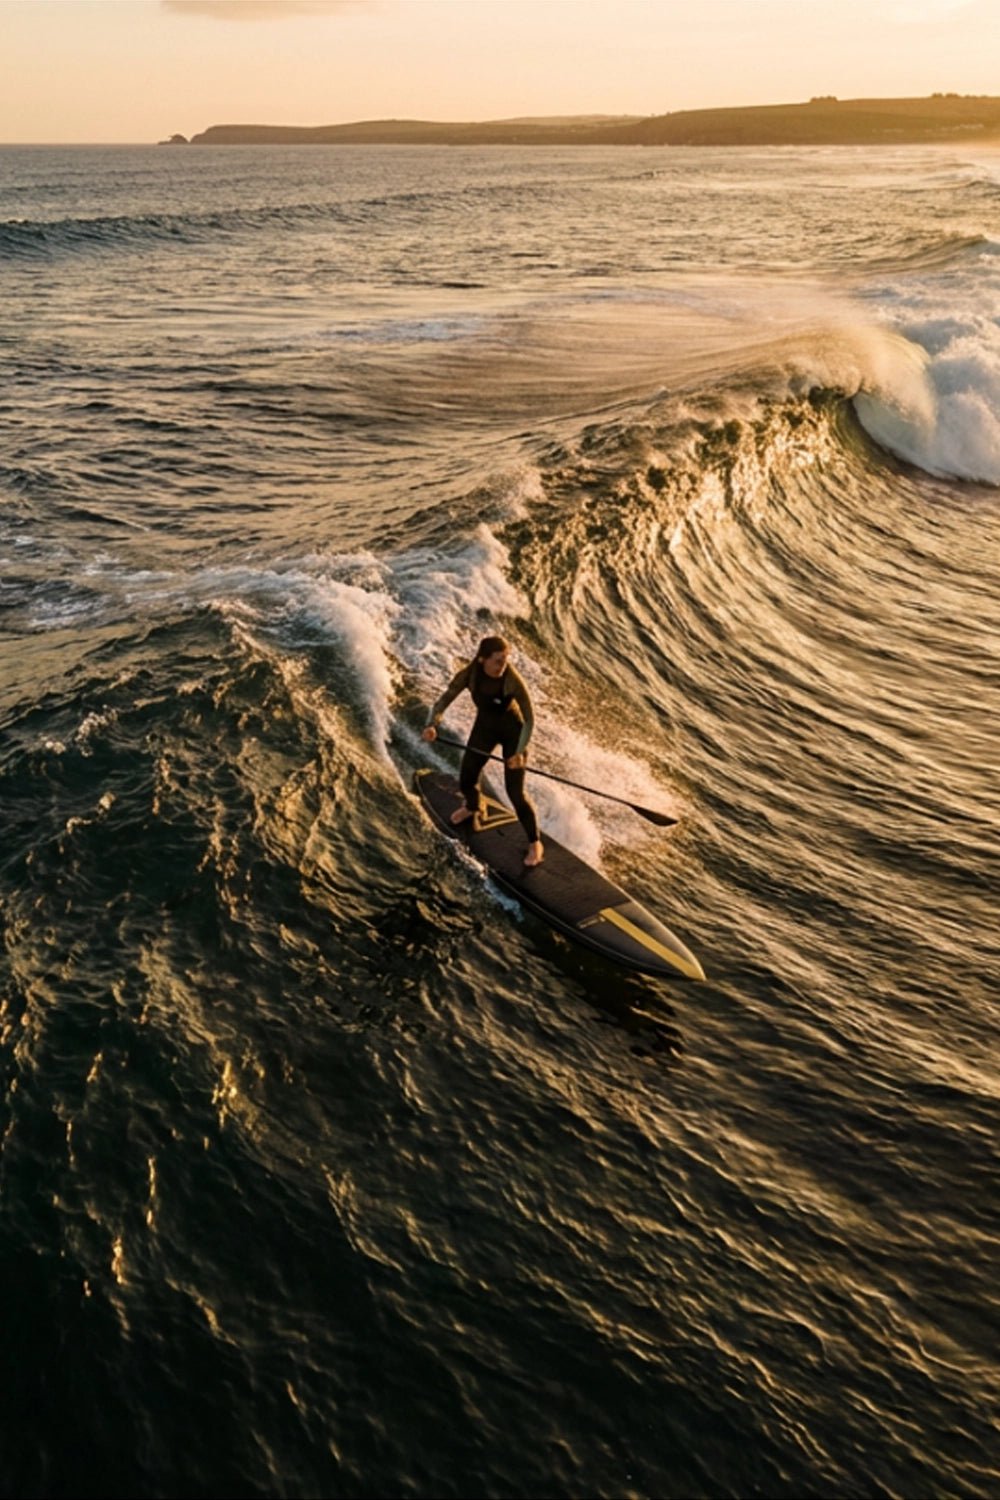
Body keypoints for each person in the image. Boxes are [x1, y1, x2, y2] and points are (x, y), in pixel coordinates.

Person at [422, 635, 544, 868]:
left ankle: (535, 843)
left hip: (513, 734)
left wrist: (519, 752)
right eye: (498, 661)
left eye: (506, 660)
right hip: (485, 729)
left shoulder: (512, 680)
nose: (503, 665)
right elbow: (443, 701)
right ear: (482, 660)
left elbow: (529, 719)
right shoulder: (469, 675)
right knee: (467, 777)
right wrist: (432, 725)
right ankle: (473, 805)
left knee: (515, 793)